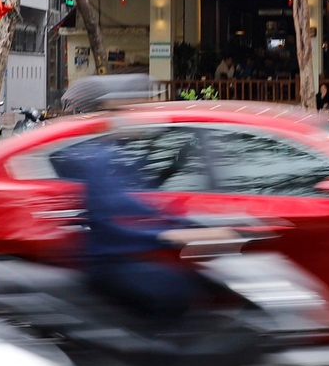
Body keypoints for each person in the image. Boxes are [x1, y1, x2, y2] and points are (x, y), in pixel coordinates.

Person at [48, 72, 218, 323]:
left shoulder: (113, 152)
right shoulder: (95, 157)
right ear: (104, 111)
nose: (140, 114)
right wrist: (167, 235)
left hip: (122, 256)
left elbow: (139, 201)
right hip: (108, 262)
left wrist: (188, 226)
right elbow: (112, 217)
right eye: (130, 107)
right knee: (180, 291)